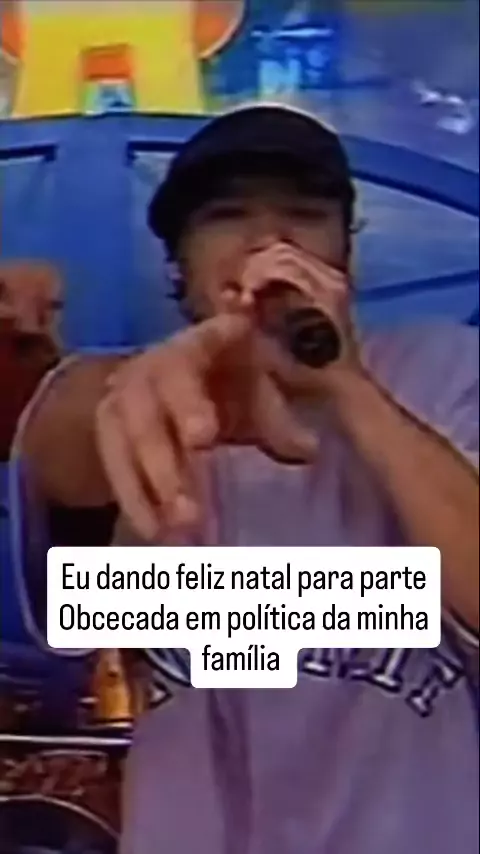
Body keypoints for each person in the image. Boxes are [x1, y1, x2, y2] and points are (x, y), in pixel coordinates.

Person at [14, 105, 479, 853]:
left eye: (307, 214)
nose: (270, 242)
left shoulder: (446, 367)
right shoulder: (138, 393)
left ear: (347, 256)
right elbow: (89, 598)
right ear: (179, 265)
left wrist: (346, 386)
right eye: (227, 216)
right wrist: (402, 603)